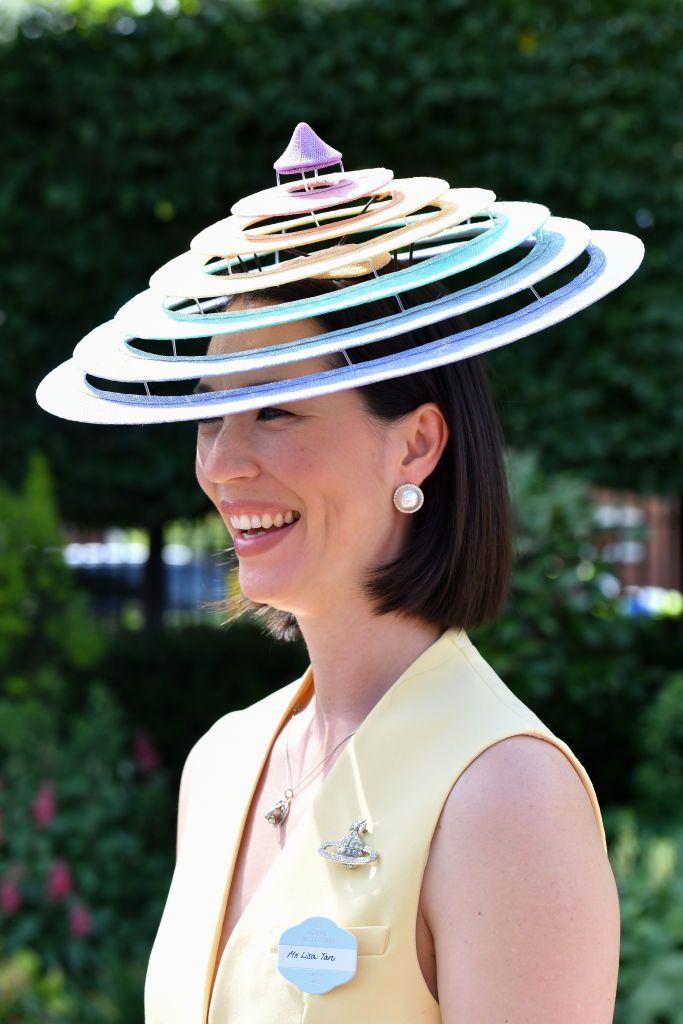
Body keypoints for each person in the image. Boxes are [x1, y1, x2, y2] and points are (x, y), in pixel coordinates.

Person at [35, 124, 643, 1022]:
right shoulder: (224, 761)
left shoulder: (505, 794)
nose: (222, 465)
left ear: (418, 442)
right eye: (211, 418)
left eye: (273, 409)